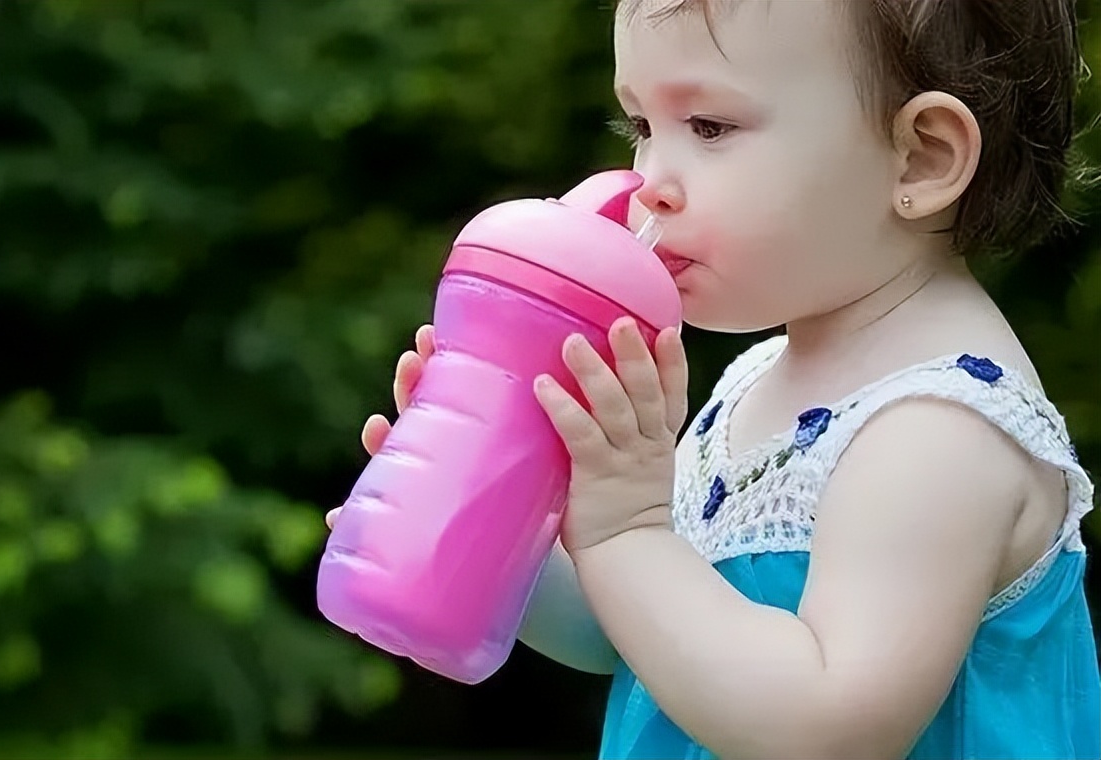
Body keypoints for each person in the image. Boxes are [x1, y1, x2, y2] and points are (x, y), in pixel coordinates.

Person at [328, 0, 1100, 756]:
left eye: (709, 128)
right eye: (640, 127)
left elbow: (829, 729)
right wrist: (493, 530)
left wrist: (625, 530)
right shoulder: (759, 381)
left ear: (921, 156)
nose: (647, 182)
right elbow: (638, 641)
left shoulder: (937, 432)